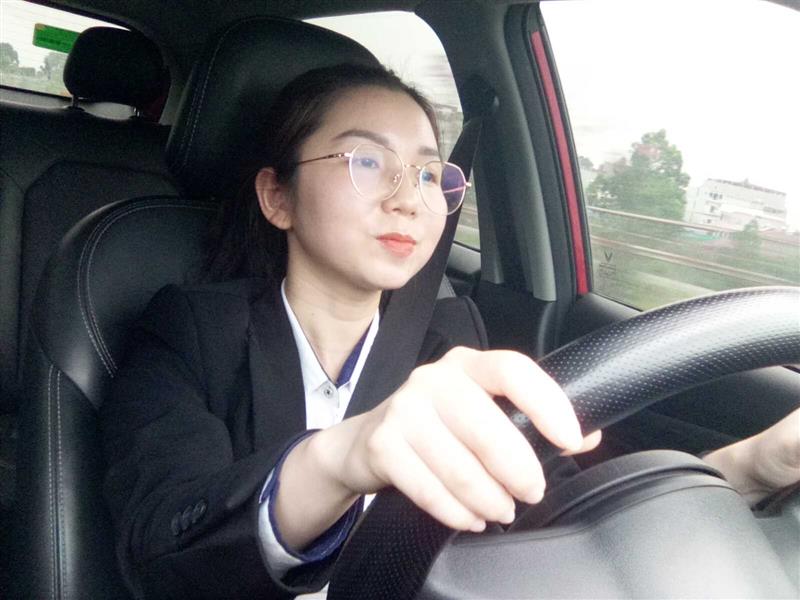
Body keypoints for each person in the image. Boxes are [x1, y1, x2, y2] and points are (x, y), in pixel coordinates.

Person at [101, 63, 800, 599]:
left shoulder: (453, 337)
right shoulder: (190, 328)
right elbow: (157, 546)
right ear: (276, 196)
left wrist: (746, 470)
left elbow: (557, 523)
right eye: (366, 160)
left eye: (430, 173)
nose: (410, 198)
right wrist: (341, 458)